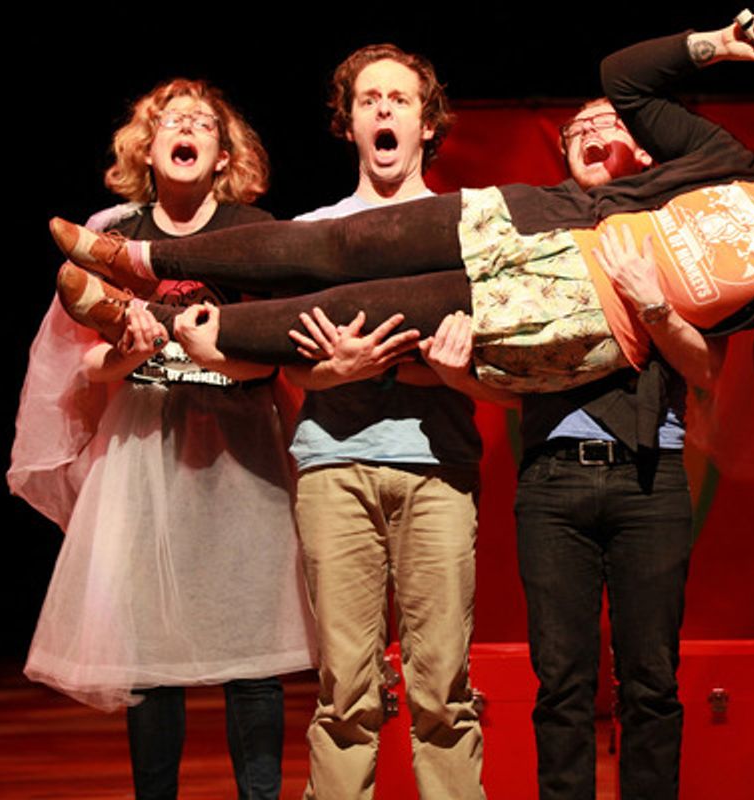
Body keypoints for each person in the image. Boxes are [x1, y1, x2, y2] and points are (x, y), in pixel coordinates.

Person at [50, 25, 754, 395]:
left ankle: (158, 328)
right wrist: (715, 47)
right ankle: (139, 261)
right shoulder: (731, 162)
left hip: (563, 305)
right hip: (537, 217)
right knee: (343, 244)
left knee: (357, 309)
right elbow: (625, 77)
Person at [508, 15, 754, 799]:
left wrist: (655, 306)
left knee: (652, 683)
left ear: (642, 149)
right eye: (579, 130)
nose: (597, 131)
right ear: (562, 156)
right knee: (560, 686)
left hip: (651, 480)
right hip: (554, 482)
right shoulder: (535, 221)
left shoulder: (682, 232)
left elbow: (707, 373)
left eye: (612, 123)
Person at [9, 79, 314, 800]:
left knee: (250, 658)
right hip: (145, 445)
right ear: (148, 149)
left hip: (238, 447)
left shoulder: (254, 228)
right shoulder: (117, 233)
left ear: (220, 155)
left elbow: (277, 354)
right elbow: (86, 365)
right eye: (172, 121)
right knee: (149, 657)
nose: (187, 129)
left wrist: (214, 354)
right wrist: (128, 348)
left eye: (203, 123)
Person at [199, 45, 485, 800]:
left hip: (437, 468)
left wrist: (410, 362)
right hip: (333, 467)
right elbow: (290, 364)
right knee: (346, 691)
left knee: (442, 692)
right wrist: (333, 371)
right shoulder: (314, 232)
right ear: (349, 124)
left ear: (428, 123)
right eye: (368, 101)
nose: (384, 110)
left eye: (400, 99)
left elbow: (497, 357)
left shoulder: (468, 225)